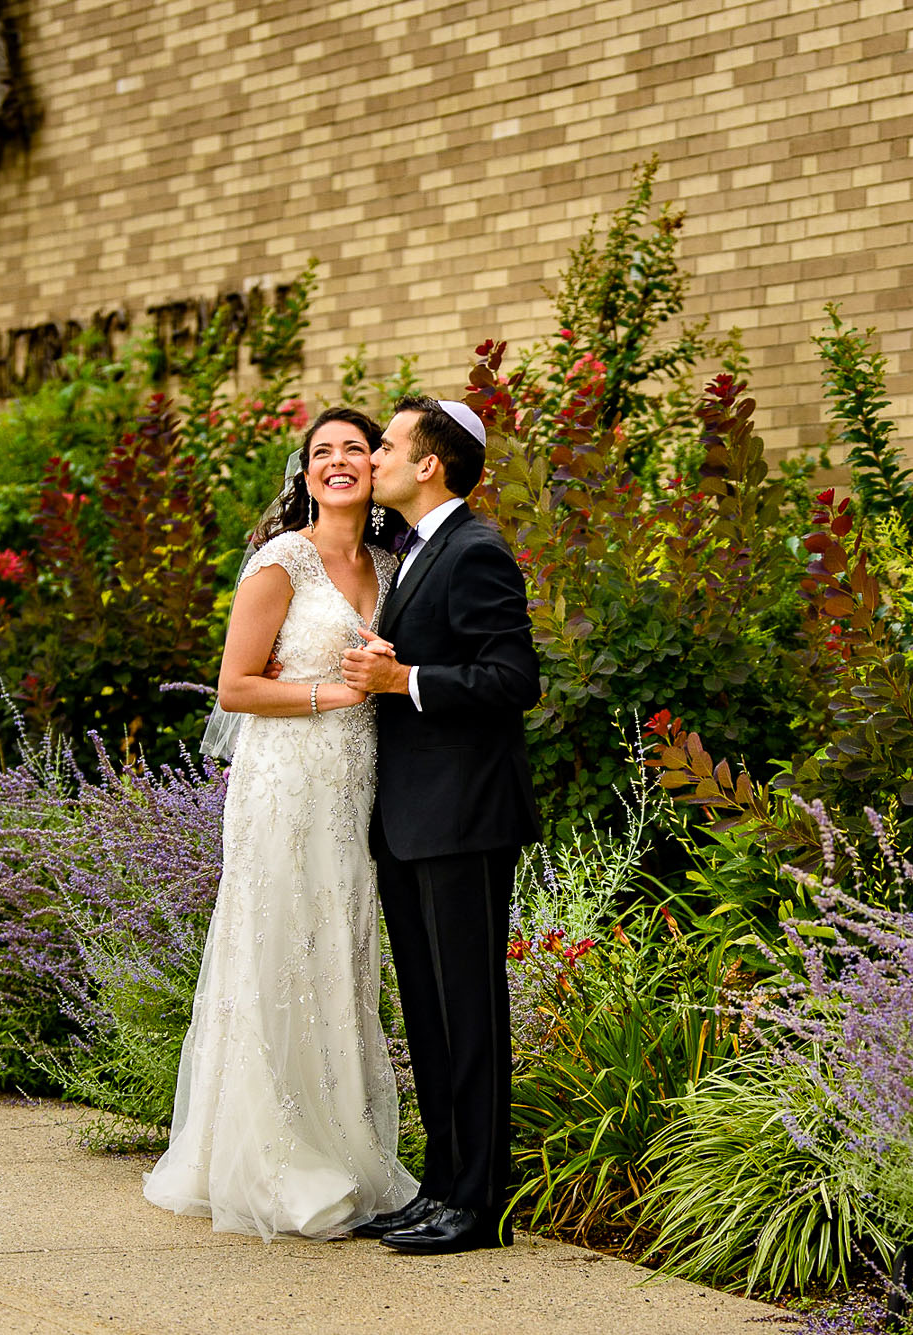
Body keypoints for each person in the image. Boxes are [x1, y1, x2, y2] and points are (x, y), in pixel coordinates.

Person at [143, 406, 418, 1240]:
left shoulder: (388, 560)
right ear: (305, 475)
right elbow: (232, 686)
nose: (338, 462)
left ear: (376, 468)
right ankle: (280, 1158)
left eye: (355, 449)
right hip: (284, 781)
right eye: (321, 453)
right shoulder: (280, 562)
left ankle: (346, 1140)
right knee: (280, 942)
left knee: (339, 945)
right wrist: (329, 694)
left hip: (356, 785)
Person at [342, 396, 541, 1255]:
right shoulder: (418, 551)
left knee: (470, 1014)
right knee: (428, 1013)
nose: (375, 456)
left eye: (387, 445)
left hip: (463, 819)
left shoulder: (476, 550)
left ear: (431, 464)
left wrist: (406, 680)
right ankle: (441, 1186)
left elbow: (513, 679)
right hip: (412, 821)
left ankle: (479, 1206)